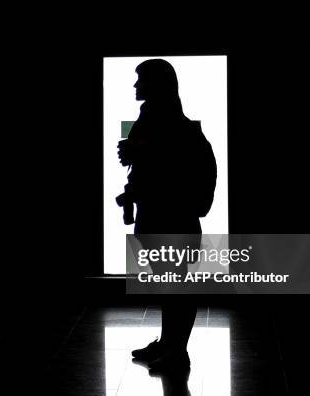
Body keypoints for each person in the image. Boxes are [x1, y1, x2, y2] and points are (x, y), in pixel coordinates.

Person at [117, 59, 216, 372]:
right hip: (158, 216)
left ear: (156, 84)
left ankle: (177, 351)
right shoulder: (154, 118)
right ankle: (169, 343)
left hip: (172, 219)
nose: (135, 87)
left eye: (140, 81)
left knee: (177, 287)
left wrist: (136, 154)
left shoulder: (169, 124)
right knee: (168, 285)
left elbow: (169, 169)